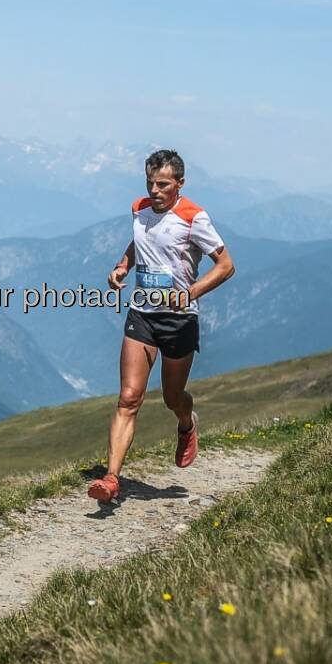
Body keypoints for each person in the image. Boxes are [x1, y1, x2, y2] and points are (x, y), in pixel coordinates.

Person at [88, 149, 235, 504]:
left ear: (179, 184)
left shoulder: (193, 217)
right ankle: (111, 480)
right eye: (150, 182)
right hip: (142, 313)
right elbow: (140, 244)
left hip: (179, 320)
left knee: (172, 397)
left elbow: (226, 265)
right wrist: (122, 266)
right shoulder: (139, 209)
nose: (155, 190)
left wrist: (190, 293)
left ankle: (187, 423)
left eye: (163, 184)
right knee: (128, 397)